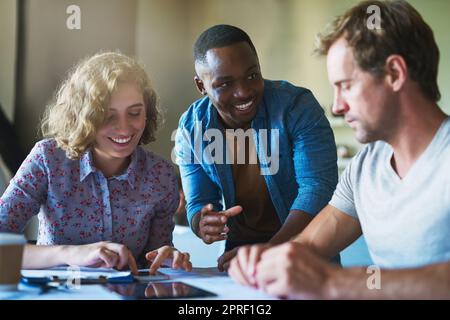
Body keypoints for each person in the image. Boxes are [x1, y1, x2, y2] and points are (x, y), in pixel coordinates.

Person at [228, 0, 450, 299]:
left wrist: (333, 282)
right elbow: (305, 248)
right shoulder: (365, 168)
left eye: (346, 85)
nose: (336, 106)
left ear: (395, 73)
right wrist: (264, 261)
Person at [0, 52, 192, 275]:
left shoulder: (161, 174)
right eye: (108, 116)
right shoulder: (47, 159)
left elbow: (152, 260)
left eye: (134, 113)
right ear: (84, 116)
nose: (124, 128)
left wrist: (167, 257)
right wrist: (70, 253)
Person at [175, 25, 338, 271]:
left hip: (305, 251)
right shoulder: (191, 128)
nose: (244, 92)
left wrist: (270, 251)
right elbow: (199, 201)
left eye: (252, 75)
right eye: (225, 84)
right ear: (201, 86)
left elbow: (317, 188)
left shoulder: (297, 107)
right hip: (240, 257)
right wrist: (202, 223)